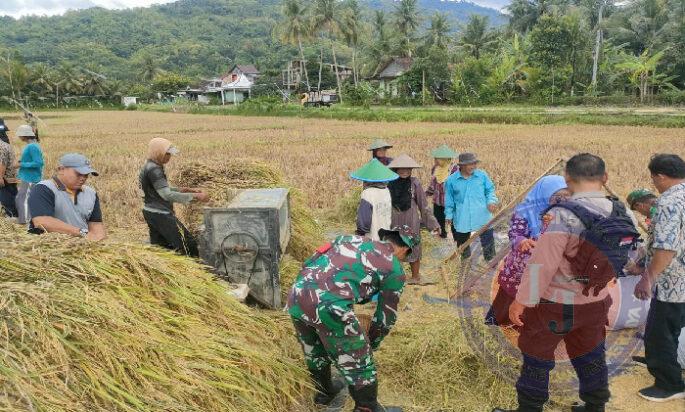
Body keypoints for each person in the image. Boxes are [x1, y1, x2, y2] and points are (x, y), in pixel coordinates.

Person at [497, 153, 640, 412]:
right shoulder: (623, 211)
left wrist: (521, 301)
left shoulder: (564, 215)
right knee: (592, 356)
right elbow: (629, 255)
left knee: (537, 358)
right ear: (605, 178)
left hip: (556, 304)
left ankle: (529, 408)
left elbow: (542, 264)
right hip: (597, 301)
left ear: (567, 179)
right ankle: (595, 406)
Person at [287, 225, 418, 412]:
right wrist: (371, 342)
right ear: (405, 248)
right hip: (330, 305)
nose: (404, 261)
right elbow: (386, 318)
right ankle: (367, 406)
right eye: (406, 257)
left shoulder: (346, 239)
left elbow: (311, 261)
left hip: (297, 294)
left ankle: (325, 393)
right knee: (360, 362)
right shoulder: (395, 269)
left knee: (314, 350)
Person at [485, 175, 570, 327]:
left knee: (533, 298)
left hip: (542, 267)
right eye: (557, 197)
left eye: (566, 196)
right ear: (544, 193)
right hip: (520, 267)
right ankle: (495, 322)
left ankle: (521, 325)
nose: (562, 201)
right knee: (508, 297)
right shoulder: (525, 211)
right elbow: (514, 233)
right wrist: (522, 241)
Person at [634, 154, 685, 402]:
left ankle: (669, 384)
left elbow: (666, 248)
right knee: (674, 327)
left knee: (659, 332)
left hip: (672, 282)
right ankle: (666, 362)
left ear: (661, 176)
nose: (655, 184)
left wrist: (647, 277)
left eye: (654, 179)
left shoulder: (668, 202)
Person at [140, 137, 208, 257]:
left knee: (161, 248)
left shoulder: (150, 165)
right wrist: (195, 196)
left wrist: (183, 190)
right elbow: (166, 195)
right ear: (158, 152)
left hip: (151, 212)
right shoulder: (155, 170)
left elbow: (159, 190)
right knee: (188, 245)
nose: (169, 157)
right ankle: (194, 271)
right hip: (160, 214)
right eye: (167, 154)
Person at [27, 153, 106, 240]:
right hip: (49, 246)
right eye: (79, 173)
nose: (83, 178)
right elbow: (42, 222)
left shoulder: (91, 193)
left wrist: (98, 239)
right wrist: (82, 233)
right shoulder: (44, 188)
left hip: (83, 247)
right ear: (61, 170)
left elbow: (96, 226)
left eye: (86, 174)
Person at [387, 154, 439, 285]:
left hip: (411, 222)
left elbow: (423, 205)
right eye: (401, 168)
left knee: (414, 247)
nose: (405, 171)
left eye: (408, 168)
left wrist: (433, 225)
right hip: (394, 221)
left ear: (411, 169)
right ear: (396, 169)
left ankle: (415, 277)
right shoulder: (388, 184)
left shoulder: (414, 183)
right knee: (395, 248)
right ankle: (395, 278)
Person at [444, 152, 498, 261]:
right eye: (469, 164)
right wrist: (448, 215)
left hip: (482, 215)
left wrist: (491, 201)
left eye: (474, 163)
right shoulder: (451, 180)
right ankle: (465, 265)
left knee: (488, 243)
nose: (473, 166)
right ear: (461, 166)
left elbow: (490, 190)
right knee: (463, 245)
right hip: (462, 218)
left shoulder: (482, 175)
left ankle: (491, 264)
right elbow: (449, 200)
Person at [351, 158, 398, 241]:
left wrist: (360, 233)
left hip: (372, 238)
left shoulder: (368, 193)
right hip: (386, 237)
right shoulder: (386, 191)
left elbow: (364, 221)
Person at [426, 144, 459, 239]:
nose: (435, 161)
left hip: (451, 203)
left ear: (445, 159)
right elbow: (433, 184)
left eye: (438, 159)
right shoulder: (435, 169)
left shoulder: (454, 169)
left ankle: (458, 245)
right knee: (439, 224)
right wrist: (425, 194)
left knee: (454, 226)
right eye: (435, 158)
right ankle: (441, 242)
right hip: (438, 202)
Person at [15, 124, 44, 225]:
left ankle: (26, 221)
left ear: (24, 135)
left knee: (24, 199)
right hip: (27, 177)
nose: (19, 137)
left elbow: (39, 163)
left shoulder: (32, 146)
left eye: (20, 135)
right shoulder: (32, 145)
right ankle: (24, 219)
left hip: (30, 178)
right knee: (21, 198)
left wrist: (21, 164)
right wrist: (21, 161)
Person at [0, 123, 18, 217]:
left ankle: (12, 215)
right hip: (12, 176)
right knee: (13, 195)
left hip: (5, 177)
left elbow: (2, 163)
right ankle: (17, 213)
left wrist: (0, 177)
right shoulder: (7, 145)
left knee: (5, 197)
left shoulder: (1, 147)